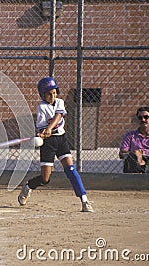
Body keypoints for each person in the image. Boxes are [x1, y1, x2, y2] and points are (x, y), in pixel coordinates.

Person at [17, 77, 94, 212]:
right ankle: (28, 186)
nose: (52, 96)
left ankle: (84, 201)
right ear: (42, 95)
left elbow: (59, 116)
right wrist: (42, 133)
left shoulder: (60, 102)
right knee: (45, 179)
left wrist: (49, 128)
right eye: (48, 94)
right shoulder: (41, 107)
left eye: (54, 92)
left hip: (61, 140)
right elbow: (41, 128)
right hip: (49, 143)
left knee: (71, 170)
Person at [119, 106, 149, 174]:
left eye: (146, 117)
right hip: (135, 161)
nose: (143, 119)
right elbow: (122, 153)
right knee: (133, 158)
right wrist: (136, 153)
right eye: (140, 118)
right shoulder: (130, 135)